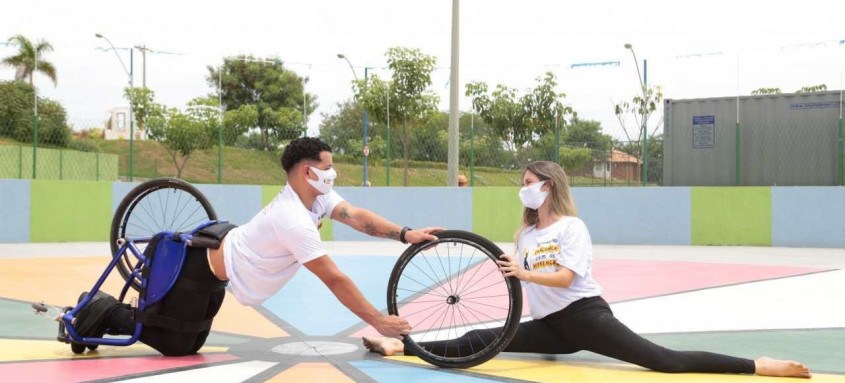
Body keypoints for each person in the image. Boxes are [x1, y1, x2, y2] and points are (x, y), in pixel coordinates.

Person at [363, 161, 811, 378]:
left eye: (528, 184)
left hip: (585, 317)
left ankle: (761, 365)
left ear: (548, 186)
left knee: (661, 361)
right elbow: (529, 284)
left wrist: (523, 275)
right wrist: (516, 270)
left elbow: (564, 280)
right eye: (522, 185)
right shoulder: (526, 236)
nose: (524, 191)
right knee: (483, 339)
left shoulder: (572, 227)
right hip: (551, 326)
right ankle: (403, 346)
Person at [76, 137, 443, 356]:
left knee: (188, 344)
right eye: (328, 168)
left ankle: (110, 314)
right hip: (193, 269)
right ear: (307, 172)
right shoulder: (292, 219)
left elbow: (356, 216)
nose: (334, 174)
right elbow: (334, 279)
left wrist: (404, 234)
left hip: (217, 276)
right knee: (175, 346)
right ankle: (99, 310)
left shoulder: (316, 199)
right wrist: (378, 320)